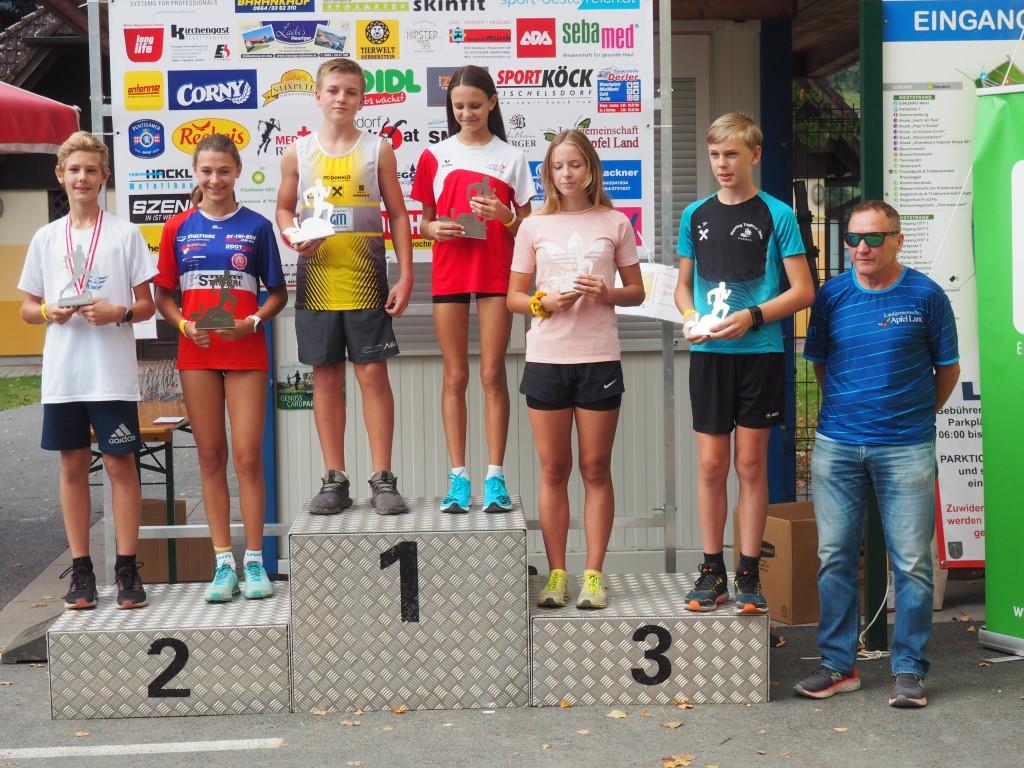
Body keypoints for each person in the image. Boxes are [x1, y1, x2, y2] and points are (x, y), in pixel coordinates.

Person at [795, 200, 959, 708]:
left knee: (911, 563)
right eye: (853, 238)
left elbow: (948, 370)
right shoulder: (831, 296)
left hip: (906, 447)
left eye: (873, 237)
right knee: (834, 557)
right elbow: (821, 365)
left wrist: (913, 418)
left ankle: (908, 670)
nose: (861, 247)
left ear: (898, 240)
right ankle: (838, 666)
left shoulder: (927, 296)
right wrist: (849, 414)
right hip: (838, 446)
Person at [674, 112, 814, 614]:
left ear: (754, 155)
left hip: (759, 354)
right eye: (715, 154)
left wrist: (752, 316)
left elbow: (803, 291)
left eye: (732, 154)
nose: (722, 163)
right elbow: (682, 286)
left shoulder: (778, 214)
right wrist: (691, 318)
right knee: (711, 465)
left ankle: (749, 572)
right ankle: (711, 570)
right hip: (709, 356)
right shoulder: (694, 214)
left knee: (750, 464)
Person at [18, 131, 157, 609]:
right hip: (65, 375)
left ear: (104, 177)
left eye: (91, 170)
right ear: (60, 175)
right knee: (73, 465)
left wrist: (119, 312)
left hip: (110, 372)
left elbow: (146, 304)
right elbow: (27, 308)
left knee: (120, 464)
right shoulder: (45, 237)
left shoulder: (124, 234)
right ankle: (81, 570)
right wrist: (49, 311)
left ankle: (127, 568)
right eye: (74, 170)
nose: (82, 178)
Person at [508, 130, 644, 609]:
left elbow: (637, 292)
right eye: (558, 166)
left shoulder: (615, 221)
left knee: (595, 468)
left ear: (591, 170)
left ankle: (593, 575)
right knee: (553, 469)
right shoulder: (532, 226)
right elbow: (514, 297)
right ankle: (556, 575)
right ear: (548, 173)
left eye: (575, 165)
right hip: (547, 358)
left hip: (599, 357)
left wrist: (606, 292)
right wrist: (542, 303)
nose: (566, 174)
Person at [275, 58, 413, 516]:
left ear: (361, 99)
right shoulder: (297, 152)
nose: (341, 98)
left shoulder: (378, 150)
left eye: (351, 92)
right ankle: (334, 477)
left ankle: (383, 477)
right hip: (317, 284)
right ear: (318, 96)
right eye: (333, 90)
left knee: (372, 376)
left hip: (367, 281)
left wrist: (406, 274)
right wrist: (293, 235)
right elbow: (283, 209)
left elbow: (398, 214)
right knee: (326, 378)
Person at [155, 134, 288, 602]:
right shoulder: (177, 228)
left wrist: (252, 321)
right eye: (207, 171)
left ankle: (254, 561)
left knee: (248, 457)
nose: (215, 179)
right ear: (196, 172)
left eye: (224, 171)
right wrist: (184, 325)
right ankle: (223, 564)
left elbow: (277, 293)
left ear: (237, 172)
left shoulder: (257, 227)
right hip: (198, 353)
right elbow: (163, 296)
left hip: (245, 351)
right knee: (210, 456)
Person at [411, 65, 534, 513]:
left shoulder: (512, 157)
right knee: (455, 375)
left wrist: (504, 215)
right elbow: (423, 221)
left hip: (496, 273)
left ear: (492, 103)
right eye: (459, 106)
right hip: (450, 271)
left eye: (475, 105)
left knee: (491, 374)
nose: (466, 113)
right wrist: (433, 229)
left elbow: (527, 225)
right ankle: (458, 478)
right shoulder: (434, 155)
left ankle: (495, 477)